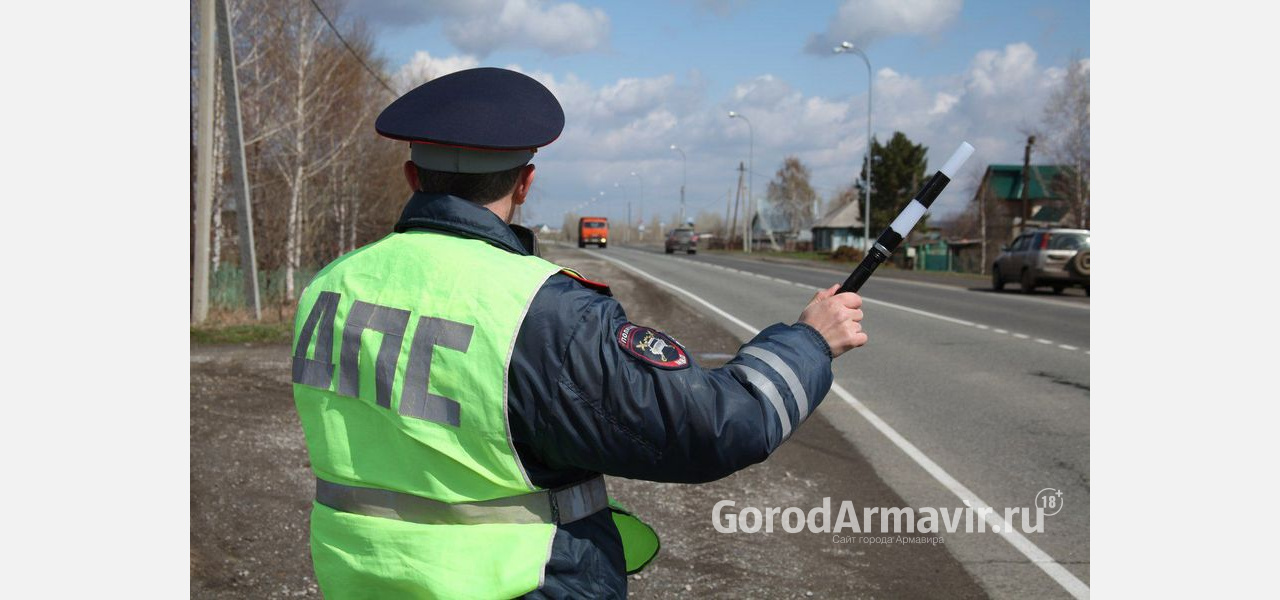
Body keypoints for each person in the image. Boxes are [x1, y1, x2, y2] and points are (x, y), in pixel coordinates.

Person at [291, 67, 868, 599]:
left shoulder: (330, 285)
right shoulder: (544, 311)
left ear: (413, 175)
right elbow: (712, 426)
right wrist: (810, 342)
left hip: (361, 582)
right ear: (525, 183)